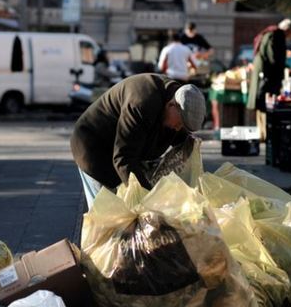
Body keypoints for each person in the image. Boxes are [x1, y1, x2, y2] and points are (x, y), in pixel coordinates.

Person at [70, 73, 206, 208]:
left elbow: (180, 140)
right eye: (180, 123)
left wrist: (190, 149)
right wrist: (149, 197)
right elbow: (124, 158)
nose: (178, 128)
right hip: (94, 146)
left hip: (123, 150)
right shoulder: (141, 103)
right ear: (171, 105)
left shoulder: (175, 99)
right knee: (107, 216)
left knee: (128, 213)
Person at [247, 18, 291, 141]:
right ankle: (265, 134)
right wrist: (285, 67)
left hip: (262, 72)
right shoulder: (277, 34)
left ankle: (262, 134)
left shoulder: (269, 33)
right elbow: (274, 57)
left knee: (261, 103)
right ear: (288, 29)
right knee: (266, 103)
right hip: (268, 74)